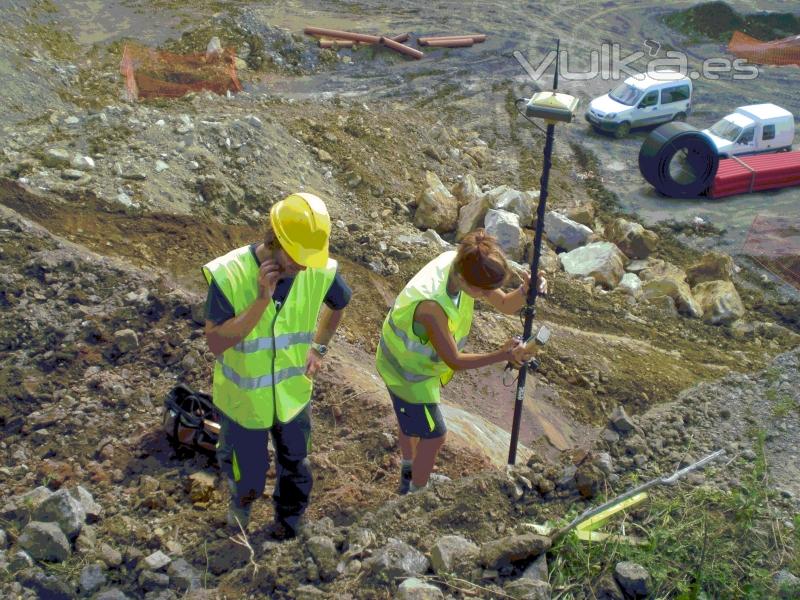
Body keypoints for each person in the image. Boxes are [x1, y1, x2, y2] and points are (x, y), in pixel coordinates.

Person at [203, 192, 351, 539]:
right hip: (244, 401)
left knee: (296, 464)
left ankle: (290, 520)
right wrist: (260, 302)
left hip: (291, 395)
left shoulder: (319, 268)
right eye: (296, 257)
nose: (302, 266)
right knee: (248, 472)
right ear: (275, 239)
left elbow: (339, 303)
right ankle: (242, 503)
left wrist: (319, 347)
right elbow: (215, 342)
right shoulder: (230, 274)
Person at [375, 229, 546, 494]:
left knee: (410, 424)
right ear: (471, 284)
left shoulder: (461, 264)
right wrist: (503, 354)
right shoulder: (432, 306)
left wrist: (526, 291)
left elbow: (504, 303)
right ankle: (416, 492)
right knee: (434, 436)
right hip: (405, 371)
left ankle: (409, 472)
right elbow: (454, 360)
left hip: (417, 367)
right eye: (485, 290)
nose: (490, 294)